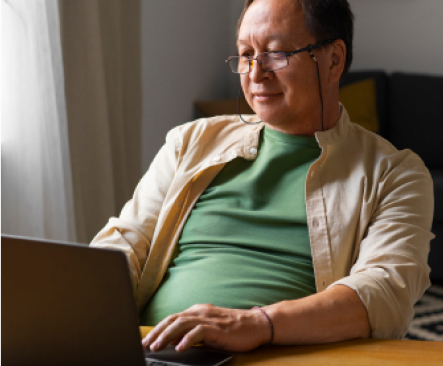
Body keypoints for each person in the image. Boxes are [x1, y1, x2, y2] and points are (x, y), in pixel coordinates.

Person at [91, 0, 434, 354]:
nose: (255, 73)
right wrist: (77, 299)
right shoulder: (190, 143)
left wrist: (257, 323)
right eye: (245, 54)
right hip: (152, 349)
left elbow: (383, 292)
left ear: (333, 60)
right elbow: (127, 244)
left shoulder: (395, 174)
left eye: (276, 53)